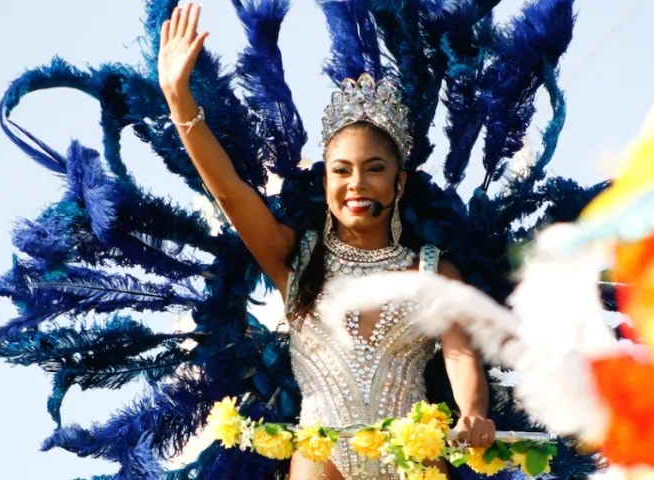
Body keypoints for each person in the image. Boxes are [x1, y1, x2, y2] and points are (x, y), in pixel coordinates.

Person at [158, 5, 496, 478]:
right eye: (342, 171)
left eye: (374, 169)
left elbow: (461, 354)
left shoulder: (433, 271)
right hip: (322, 464)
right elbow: (230, 192)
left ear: (398, 185)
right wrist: (179, 99)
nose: (356, 184)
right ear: (326, 183)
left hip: (414, 462)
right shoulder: (292, 259)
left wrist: (472, 411)